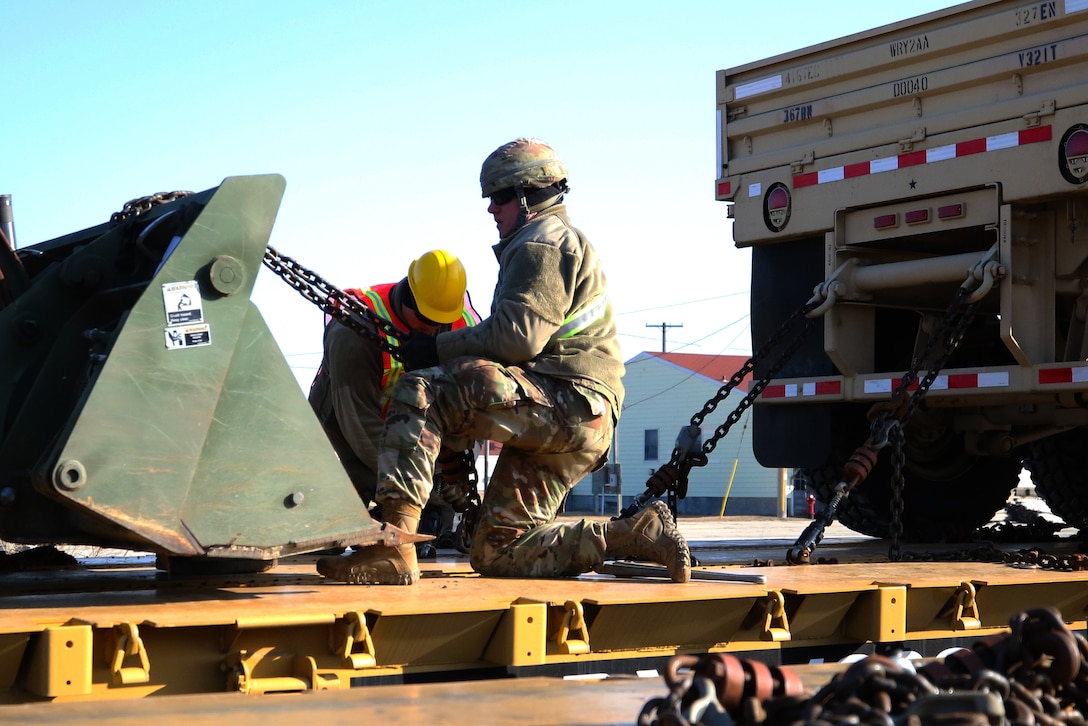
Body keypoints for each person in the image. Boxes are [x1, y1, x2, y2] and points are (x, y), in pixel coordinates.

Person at [318, 138, 690, 585]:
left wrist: (433, 351)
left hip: (568, 401)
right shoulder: (545, 242)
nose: (492, 210)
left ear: (530, 195)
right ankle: (630, 535)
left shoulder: (543, 242)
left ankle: (394, 548)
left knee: (422, 388)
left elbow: (517, 338)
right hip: (578, 417)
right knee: (497, 550)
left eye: (499, 197)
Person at [307, 250, 480, 543]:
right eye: (426, 319)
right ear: (407, 298)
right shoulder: (355, 329)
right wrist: (414, 484)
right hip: (351, 423)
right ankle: (348, 508)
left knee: (435, 510)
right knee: (330, 533)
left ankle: (429, 514)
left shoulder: (465, 325)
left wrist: (450, 473)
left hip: (421, 430)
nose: (434, 329)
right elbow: (358, 421)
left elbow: (469, 412)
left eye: (442, 322)